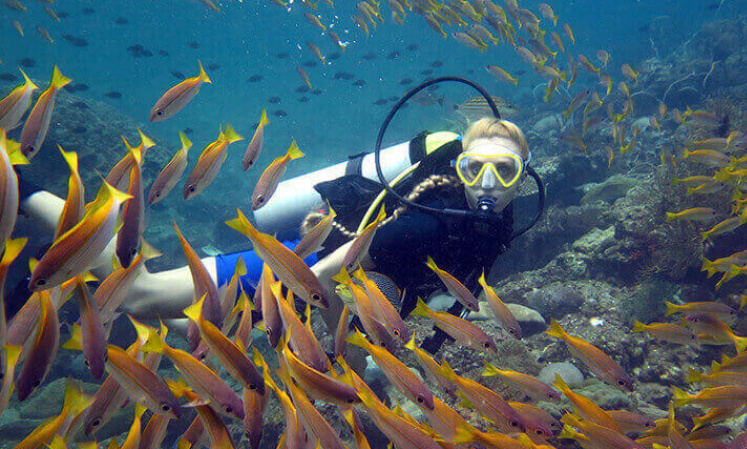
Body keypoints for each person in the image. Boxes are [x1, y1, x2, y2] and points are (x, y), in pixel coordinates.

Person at [14, 117, 531, 353]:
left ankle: (56, 260)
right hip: (290, 265)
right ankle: (22, 188)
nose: (488, 185)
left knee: (180, 325)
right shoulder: (426, 221)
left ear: (524, 176)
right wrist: (339, 347)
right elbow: (325, 273)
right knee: (141, 294)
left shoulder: (497, 226)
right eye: (475, 168)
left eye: (504, 173)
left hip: (303, 300)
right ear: (457, 165)